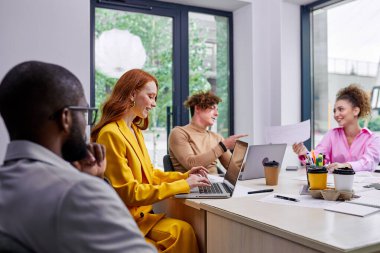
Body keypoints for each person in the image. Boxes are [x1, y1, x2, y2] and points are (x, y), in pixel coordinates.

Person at [0, 61, 156, 253]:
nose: (86, 124)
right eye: (84, 112)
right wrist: (98, 187)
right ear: (66, 118)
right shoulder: (77, 192)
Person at [91, 69, 210, 253]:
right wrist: (183, 185)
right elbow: (129, 192)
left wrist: (183, 177)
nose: (154, 104)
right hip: (127, 221)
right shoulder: (110, 134)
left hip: (144, 216)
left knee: (182, 231)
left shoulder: (134, 130)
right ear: (132, 94)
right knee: (181, 232)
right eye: (151, 96)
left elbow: (150, 174)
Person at [293, 84, 380, 172]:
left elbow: (369, 163)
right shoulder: (332, 135)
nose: (336, 114)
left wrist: (345, 166)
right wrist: (304, 153)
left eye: (341, 109)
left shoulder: (373, 139)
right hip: (336, 185)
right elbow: (319, 161)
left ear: (355, 111)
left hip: (363, 185)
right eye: (334, 111)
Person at [168, 90, 247, 174]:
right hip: (193, 185)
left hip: (215, 184)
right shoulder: (179, 133)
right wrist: (223, 146)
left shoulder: (216, 137)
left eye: (217, 110)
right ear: (197, 108)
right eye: (212, 108)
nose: (217, 114)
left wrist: (258, 161)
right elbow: (191, 164)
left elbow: (236, 168)